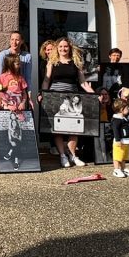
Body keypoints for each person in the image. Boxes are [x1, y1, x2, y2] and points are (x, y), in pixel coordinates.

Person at [42, 36, 94, 168]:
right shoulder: (52, 62)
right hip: (55, 97)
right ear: (57, 49)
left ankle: (72, 155)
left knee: (74, 129)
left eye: (65, 46)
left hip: (73, 98)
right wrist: (43, 94)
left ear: (69, 47)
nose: (63, 49)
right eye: (60, 47)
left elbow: (82, 82)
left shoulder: (76, 62)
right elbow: (47, 80)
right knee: (58, 129)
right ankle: (62, 156)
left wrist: (92, 93)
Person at [0, 53, 30, 118]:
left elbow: (24, 93)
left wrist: (23, 103)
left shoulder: (20, 78)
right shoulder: (1, 78)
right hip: (6, 108)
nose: (19, 66)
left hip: (19, 108)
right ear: (10, 65)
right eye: (17, 64)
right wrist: (7, 105)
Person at [110, 97, 129, 178]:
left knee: (123, 156)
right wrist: (118, 140)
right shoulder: (116, 120)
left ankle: (123, 168)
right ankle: (116, 169)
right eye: (127, 107)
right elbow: (115, 130)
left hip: (126, 141)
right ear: (121, 109)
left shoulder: (124, 119)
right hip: (119, 142)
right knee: (117, 156)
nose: (128, 108)